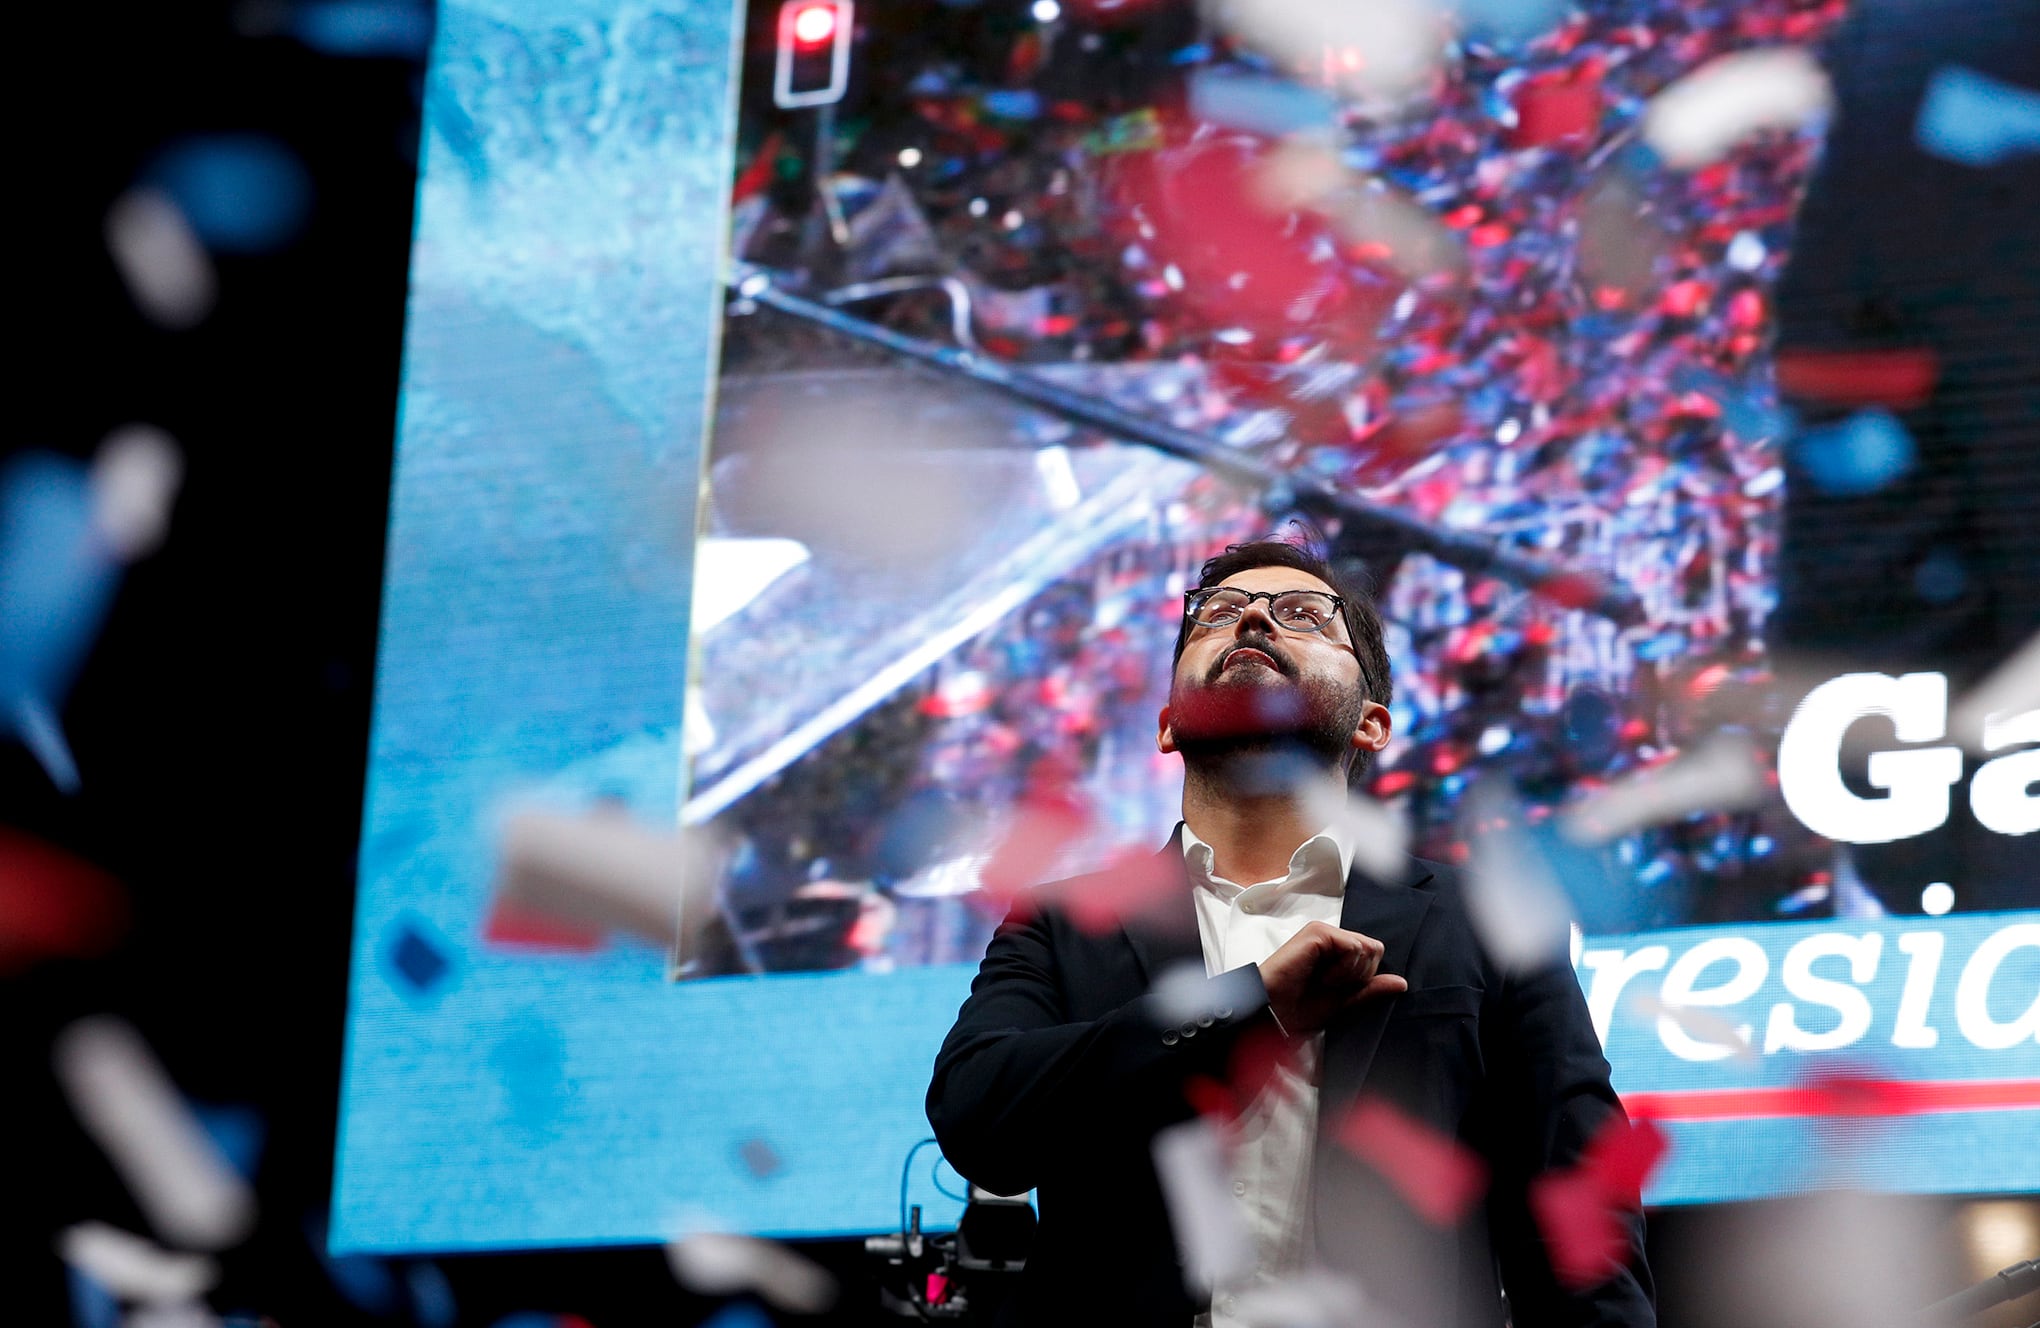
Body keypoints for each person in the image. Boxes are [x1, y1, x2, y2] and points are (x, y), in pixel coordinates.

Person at [927, 533, 1654, 1327]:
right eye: (1219, 613)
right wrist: (1249, 1004)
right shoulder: (1065, 919)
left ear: (1371, 724)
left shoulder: (1489, 919)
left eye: (1304, 615)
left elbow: (1580, 1213)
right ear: (1168, 723)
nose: (1253, 624)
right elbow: (978, 1120)